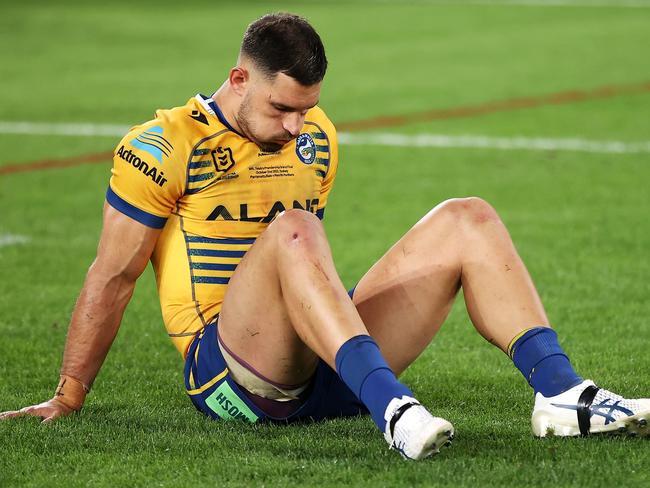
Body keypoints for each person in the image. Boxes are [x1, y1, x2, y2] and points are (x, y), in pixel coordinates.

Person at [1, 12, 648, 460]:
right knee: (295, 227)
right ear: (239, 80)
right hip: (232, 375)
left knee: (466, 216)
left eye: (306, 107)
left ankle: (563, 394)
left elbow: (308, 271)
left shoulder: (316, 137)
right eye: (281, 107)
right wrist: (69, 396)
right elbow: (112, 278)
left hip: (320, 360)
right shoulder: (163, 145)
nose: (295, 124)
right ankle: (394, 410)